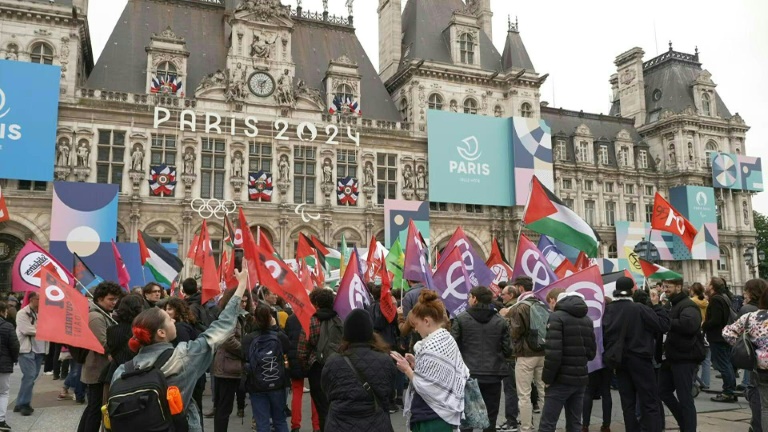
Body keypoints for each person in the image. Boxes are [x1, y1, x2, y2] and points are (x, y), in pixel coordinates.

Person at [110, 265, 250, 431]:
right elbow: (221, 327)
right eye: (168, 319)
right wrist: (241, 286)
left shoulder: (122, 371)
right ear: (161, 332)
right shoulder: (183, 356)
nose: (174, 320)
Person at [390, 290, 469, 432]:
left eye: (416, 324)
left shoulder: (431, 346)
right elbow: (439, 373)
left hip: (431, 414)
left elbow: (426, 385)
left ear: (426, 321)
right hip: (443, 412)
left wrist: (406, 369)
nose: (415, 329)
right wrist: (416, 363)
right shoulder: (446, 338)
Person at [602, 277, 670, 432]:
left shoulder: (609, 310)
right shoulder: (639, 309)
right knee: (649, 400)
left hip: (619, 360)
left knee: (628, 402)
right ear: (632, 290)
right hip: (640, 358)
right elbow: (663, 325)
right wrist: (657, 305)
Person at [321, 309, 395, 432]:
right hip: (377, 424)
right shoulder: (385, 361)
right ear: (370, 332)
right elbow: (389, 393)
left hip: (339, 425)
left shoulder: (333, 361)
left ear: (346, 333)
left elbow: (327, 391)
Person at [452, 286, 511, 432]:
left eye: (469, 296)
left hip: (468, 374)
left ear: (475, 299)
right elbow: (508, 350)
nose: (468, 299)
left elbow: (453, 346)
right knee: (491, 416)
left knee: (466, 417)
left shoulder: (461, 319)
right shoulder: (500, 321)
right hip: (493, 374)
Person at [539, 290, 596, 432]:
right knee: (575, 423)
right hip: (580, 378)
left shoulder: (556, 317)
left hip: (560, 379)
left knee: (547, 424)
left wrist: (547, 379)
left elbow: (553, 353)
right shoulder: (587, 320)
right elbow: (591, 353)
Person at [658, 279, 704, 432]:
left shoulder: (688, 305)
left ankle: (688, 428)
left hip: (685, 357)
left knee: (685, 398)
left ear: (678, 287)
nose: (665, 289)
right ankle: (684, 423)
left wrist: (668, 321)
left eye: (668, 286)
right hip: (672, 356)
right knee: (662, 390)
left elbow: (689, 325)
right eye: (664, 286)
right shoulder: (672, 304)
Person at [77, 281, 121, 432]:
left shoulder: (104, 313)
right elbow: (103, 344)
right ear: (100, 298)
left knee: (93, 407)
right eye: (111, 299)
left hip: (100, 369)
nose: (114, 302)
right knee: (95, 410)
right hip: (97, 370)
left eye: (116, 299)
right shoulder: (96, 317)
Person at [723, 284, 768, 430]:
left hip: (761, 366)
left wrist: (744, 345)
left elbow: (727, 332)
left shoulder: (751, 317)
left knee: (765, 406)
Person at [298, 288, 342, 431]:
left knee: (322, 409)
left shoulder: (311, 321)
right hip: (338, 366)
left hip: (317, 368)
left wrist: (306, 367)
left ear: (316, 303)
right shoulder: (339, 319)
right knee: (338, 404)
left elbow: (302, 350)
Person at [242, 303, 291, 432]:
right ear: (270, 318)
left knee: (262, 423)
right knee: (280, 420)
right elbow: (288, 347)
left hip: (256, 384)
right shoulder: (278, 336)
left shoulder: (248, 338)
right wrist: (276, 327)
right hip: (277, 383)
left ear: (255, 318)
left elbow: (243, 357)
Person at [508, 276, 547, 432]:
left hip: (525, 354)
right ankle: (547, 426)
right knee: (544, 391)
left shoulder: (519, 307)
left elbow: (515, 332)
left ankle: (526, 428)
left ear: (520, 288)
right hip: (542, 352)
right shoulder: (541, 303)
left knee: (524, 394)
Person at [212, 288, 253, 432]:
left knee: (224, 407)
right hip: (227, 367)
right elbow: (227, 339)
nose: (244, 304)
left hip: (232, 366)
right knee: (224, 408)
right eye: (241, 301)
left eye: (246, 301)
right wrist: (244, 351)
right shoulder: (229, 316)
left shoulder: (241, 316)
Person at [702, 277, 738, 403]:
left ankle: (728, 392)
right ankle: (731, 390)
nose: (705, 285)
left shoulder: (716, 299)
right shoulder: (724, 297)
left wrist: (704, 325)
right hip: (723, 336)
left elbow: (716, 320)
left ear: (712, 287)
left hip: (718, 337)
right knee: (726, 364)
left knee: (723, 365)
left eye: (707, 283)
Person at [285, 311, 320, 432]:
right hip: (311, 358)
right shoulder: (314, 319)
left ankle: (295, 424)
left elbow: (287, 339)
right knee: (315, 392)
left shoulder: (290, 319)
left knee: (296, 391)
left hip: (295, 358)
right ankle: (316, 425)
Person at [14, 292, 48, 416]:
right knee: (29, 376)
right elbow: (26, 330)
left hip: (39, 349)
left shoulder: (42, 313)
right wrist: (44, 330)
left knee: (31, 377)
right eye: (39, 299)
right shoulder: (22, 313)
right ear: (32, 299)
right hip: (26, 349)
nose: (41, 301)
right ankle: (24, 404)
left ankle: (19, 403)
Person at [498, 284, 521, 432]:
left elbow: (508, 333)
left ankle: (511, 421)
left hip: (511, 356)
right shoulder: (521, 306)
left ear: (511, 295)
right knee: (522, 390)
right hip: (521, 354)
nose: (501, 296)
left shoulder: (510, 310)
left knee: (510, 389)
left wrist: (502, 317)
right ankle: (523, 418)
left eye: (503, 294)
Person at [738, 279, 766, 392]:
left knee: (758, 390)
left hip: (758, 358)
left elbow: (729, 333)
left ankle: (747, 386)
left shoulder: (748, 311)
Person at [0, 301, 19, 431]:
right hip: (3, 364)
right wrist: (14, 359)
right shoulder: (7, 326)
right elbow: (14, 345)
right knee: (3, 392)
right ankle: (1, 420)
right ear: (3, 311)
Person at [689, 282, 710, 390]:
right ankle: (705, 382)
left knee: (694, 358)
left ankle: (693, 381)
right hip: (705, 329)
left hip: (696, 329)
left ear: (693, 290)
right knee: (706, 359)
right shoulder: (706, 302)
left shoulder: (691, 302)